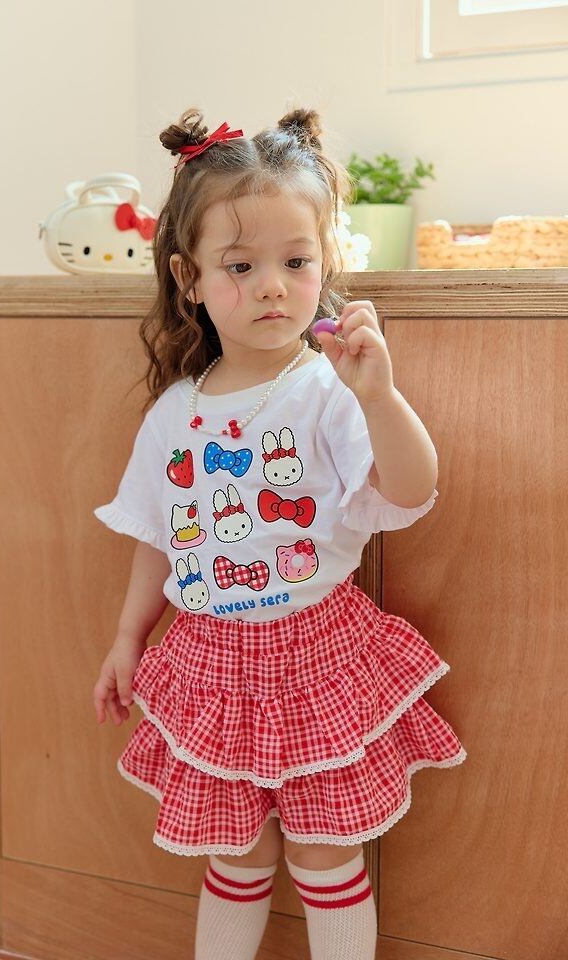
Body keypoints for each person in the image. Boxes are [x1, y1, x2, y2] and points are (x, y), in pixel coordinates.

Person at [92, 106, 467, 960]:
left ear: (324, 262)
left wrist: (379, 395)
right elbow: (159, 534)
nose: (272, 286)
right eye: (242, 265)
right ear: (189, 278)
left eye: (296, 262)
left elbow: (413, 488)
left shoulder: (329, 390)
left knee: (325, 853)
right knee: (236, 854)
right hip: (208, 662)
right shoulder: (174, 412)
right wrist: (127, 638)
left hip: (316, 657)